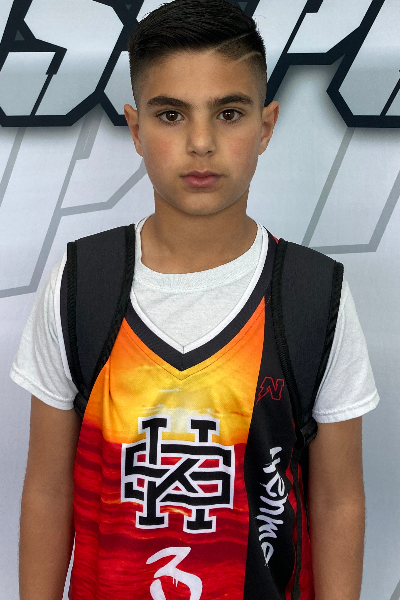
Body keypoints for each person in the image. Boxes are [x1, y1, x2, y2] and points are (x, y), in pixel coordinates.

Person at [10, 1, 380, 599]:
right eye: (171, 114)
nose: (201, 143)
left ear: (266, 125)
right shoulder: (81, 283)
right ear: (136, 129)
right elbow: (48, 490)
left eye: (228, 113)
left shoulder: (315, 293)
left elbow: (338, 500)